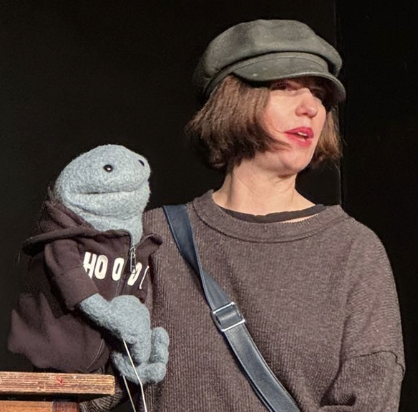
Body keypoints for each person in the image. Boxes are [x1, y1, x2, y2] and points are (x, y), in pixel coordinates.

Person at [81, 19, 405, 411]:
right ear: (232, 99)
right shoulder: (153, 238)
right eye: (284, 87)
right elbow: (87, 390)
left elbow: (369, 400)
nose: (311, 108)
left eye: (319, 95)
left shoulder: (352, 249)